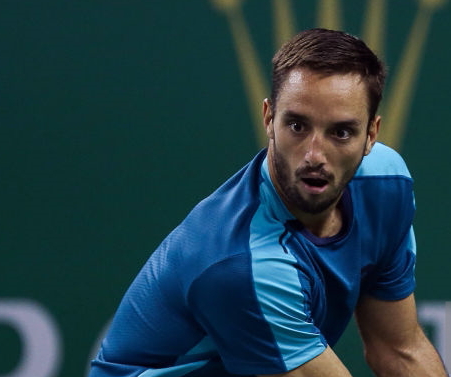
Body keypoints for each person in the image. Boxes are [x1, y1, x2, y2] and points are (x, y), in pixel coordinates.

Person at [88, 28, 448, 376]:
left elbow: (399, 351)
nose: (314, 155)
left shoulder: (386, 183)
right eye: (297, 126)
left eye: (340, 132)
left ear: (371, 135)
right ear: (269, 118)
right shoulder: (242, 263)